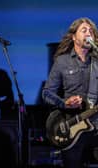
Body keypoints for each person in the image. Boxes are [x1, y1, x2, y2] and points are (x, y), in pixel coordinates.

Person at [42, 17, 98, 168]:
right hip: (73, 128)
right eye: (84, 30)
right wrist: (64, 103)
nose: (89, 34)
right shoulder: (62, 61)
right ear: (74, 37)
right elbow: (47, 93)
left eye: (91, 31)